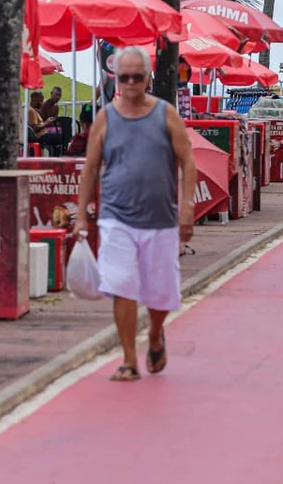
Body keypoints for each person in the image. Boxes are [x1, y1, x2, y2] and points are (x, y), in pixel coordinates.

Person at [74, 46, 198, 382]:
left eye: (136, 77)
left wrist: (187, 207)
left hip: (160, 219)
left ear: (147, 79)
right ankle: (129, 359)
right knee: (122, 285)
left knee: (159, 292)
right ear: (115, 78)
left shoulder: (165, 114)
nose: (129, 84)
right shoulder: (106, 118)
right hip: (116, 217)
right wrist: (82, 215)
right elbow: (90, 168)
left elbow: (187, 161)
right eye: (123, 77)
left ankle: (156, 333)